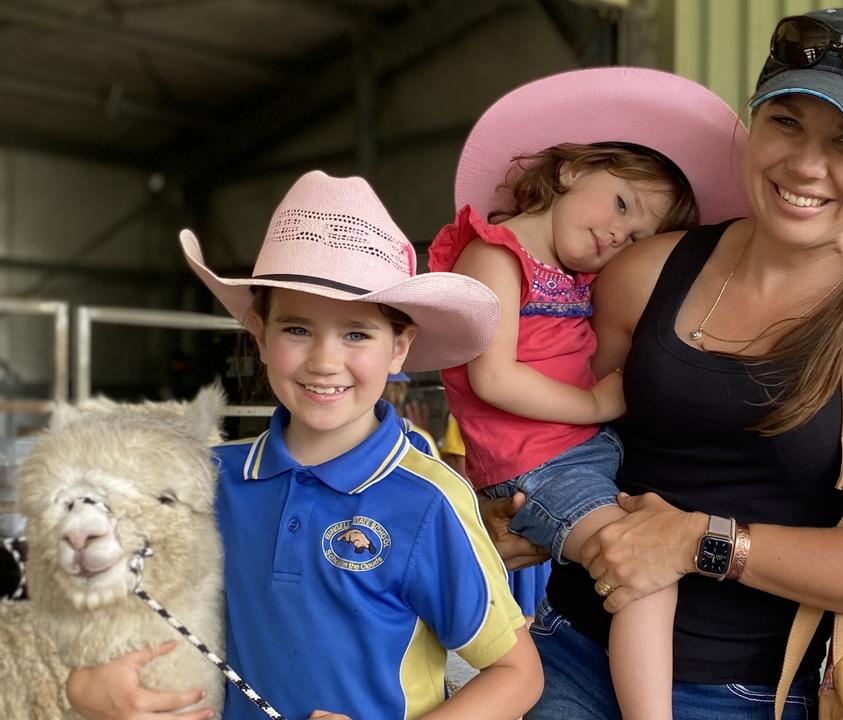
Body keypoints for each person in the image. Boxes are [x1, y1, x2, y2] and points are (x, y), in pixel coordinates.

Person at [483, 8, 843, 720]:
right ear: (748, 129)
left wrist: (699, 542)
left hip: (755, 695)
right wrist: (502, 511)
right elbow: (552, 434)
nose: (806, 166)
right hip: (567, 656)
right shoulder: (643, 270)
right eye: (786, 124)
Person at [66, 171, 542, 720]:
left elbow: (517, 675)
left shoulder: (429, 501)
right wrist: (86, 683)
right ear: (260, 336)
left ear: (399, 348)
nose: (323, 360)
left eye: (357, 333)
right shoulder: (203, 479)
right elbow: (110, 599)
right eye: (296, 329)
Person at [430, 67, 748, 719]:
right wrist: (598, 404)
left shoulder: (571, 277)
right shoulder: (496, 255)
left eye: (635, 238)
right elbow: (493, 377)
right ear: (573, 168)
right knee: (644, 576)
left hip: (577, 458)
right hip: (539, 466)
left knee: (652, 549)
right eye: (621, 204)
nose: (616, 237)